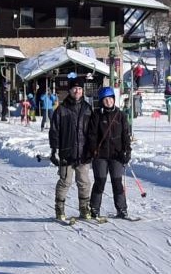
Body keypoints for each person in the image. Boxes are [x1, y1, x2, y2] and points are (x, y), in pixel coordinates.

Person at [84, 87, 133, 221]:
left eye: (110, 99)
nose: (108, 101)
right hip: (100, 155)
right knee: (100, 181)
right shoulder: (97, 115)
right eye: (105, 99)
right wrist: (93, 150)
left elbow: (125, 135)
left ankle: (122, 209)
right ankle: (94, 208)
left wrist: (127, 151)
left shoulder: (120, 115)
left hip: (116, 155)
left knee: (117, 182)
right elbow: (92, 135)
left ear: (114, 99)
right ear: (101, 101)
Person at [48, 83, 92, 221]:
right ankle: (59, 208)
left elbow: (92, 131)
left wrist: (93, 148)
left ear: (82, 91)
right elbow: (54, 131)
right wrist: (54, 149)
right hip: (67, 152)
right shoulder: (62, 109)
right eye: (74, 89)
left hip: (83, 153)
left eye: (79, 89)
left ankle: (84, 208)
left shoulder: (88, 108)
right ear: (70, 91)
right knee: (65, 182)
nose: (77, 91)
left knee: (84, 182)